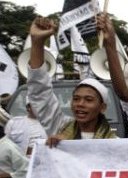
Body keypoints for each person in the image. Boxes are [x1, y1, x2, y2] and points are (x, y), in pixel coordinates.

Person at [26, 17, 117, 146]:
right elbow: (39, 92)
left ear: (102, 108)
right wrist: (37, 42)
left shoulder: (116, 143)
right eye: (76, 98)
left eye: (89, 100)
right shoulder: (60, 127)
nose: (80, 104)